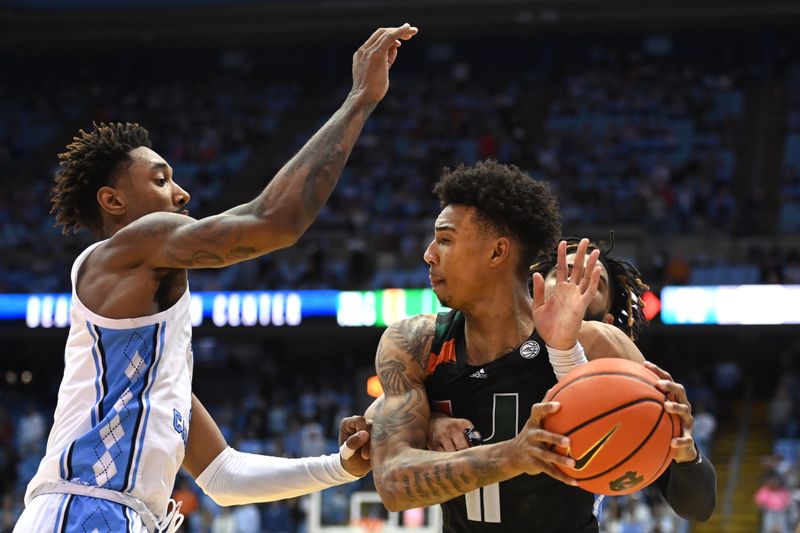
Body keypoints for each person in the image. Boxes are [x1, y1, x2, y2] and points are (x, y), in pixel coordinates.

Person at [15, 23, 418, 533]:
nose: (181, 194)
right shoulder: (125, 249)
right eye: (161, 180)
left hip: (112, 514)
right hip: (84, 512)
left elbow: (224, 476)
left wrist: (340, 466)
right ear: (113, 202)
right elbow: (273, 222)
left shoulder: (149, 371)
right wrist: (358, 101)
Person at [370, 159, 673, 532]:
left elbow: (683, 484)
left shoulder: (588, 342)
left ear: (498, 253)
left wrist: (673, 431)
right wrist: (500, 450)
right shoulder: (414, 343)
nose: (429, 253)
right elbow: (392, 483)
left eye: (445, 239)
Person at [425, 236, 717, 523]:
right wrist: (430, 421)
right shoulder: (463, 343)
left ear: (607, 323)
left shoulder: (617, 381)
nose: (574, 282)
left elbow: (697, 506)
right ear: (534, 290)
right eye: (562, 272)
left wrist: (686, 452)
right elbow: (391, 426)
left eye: (594, 281)